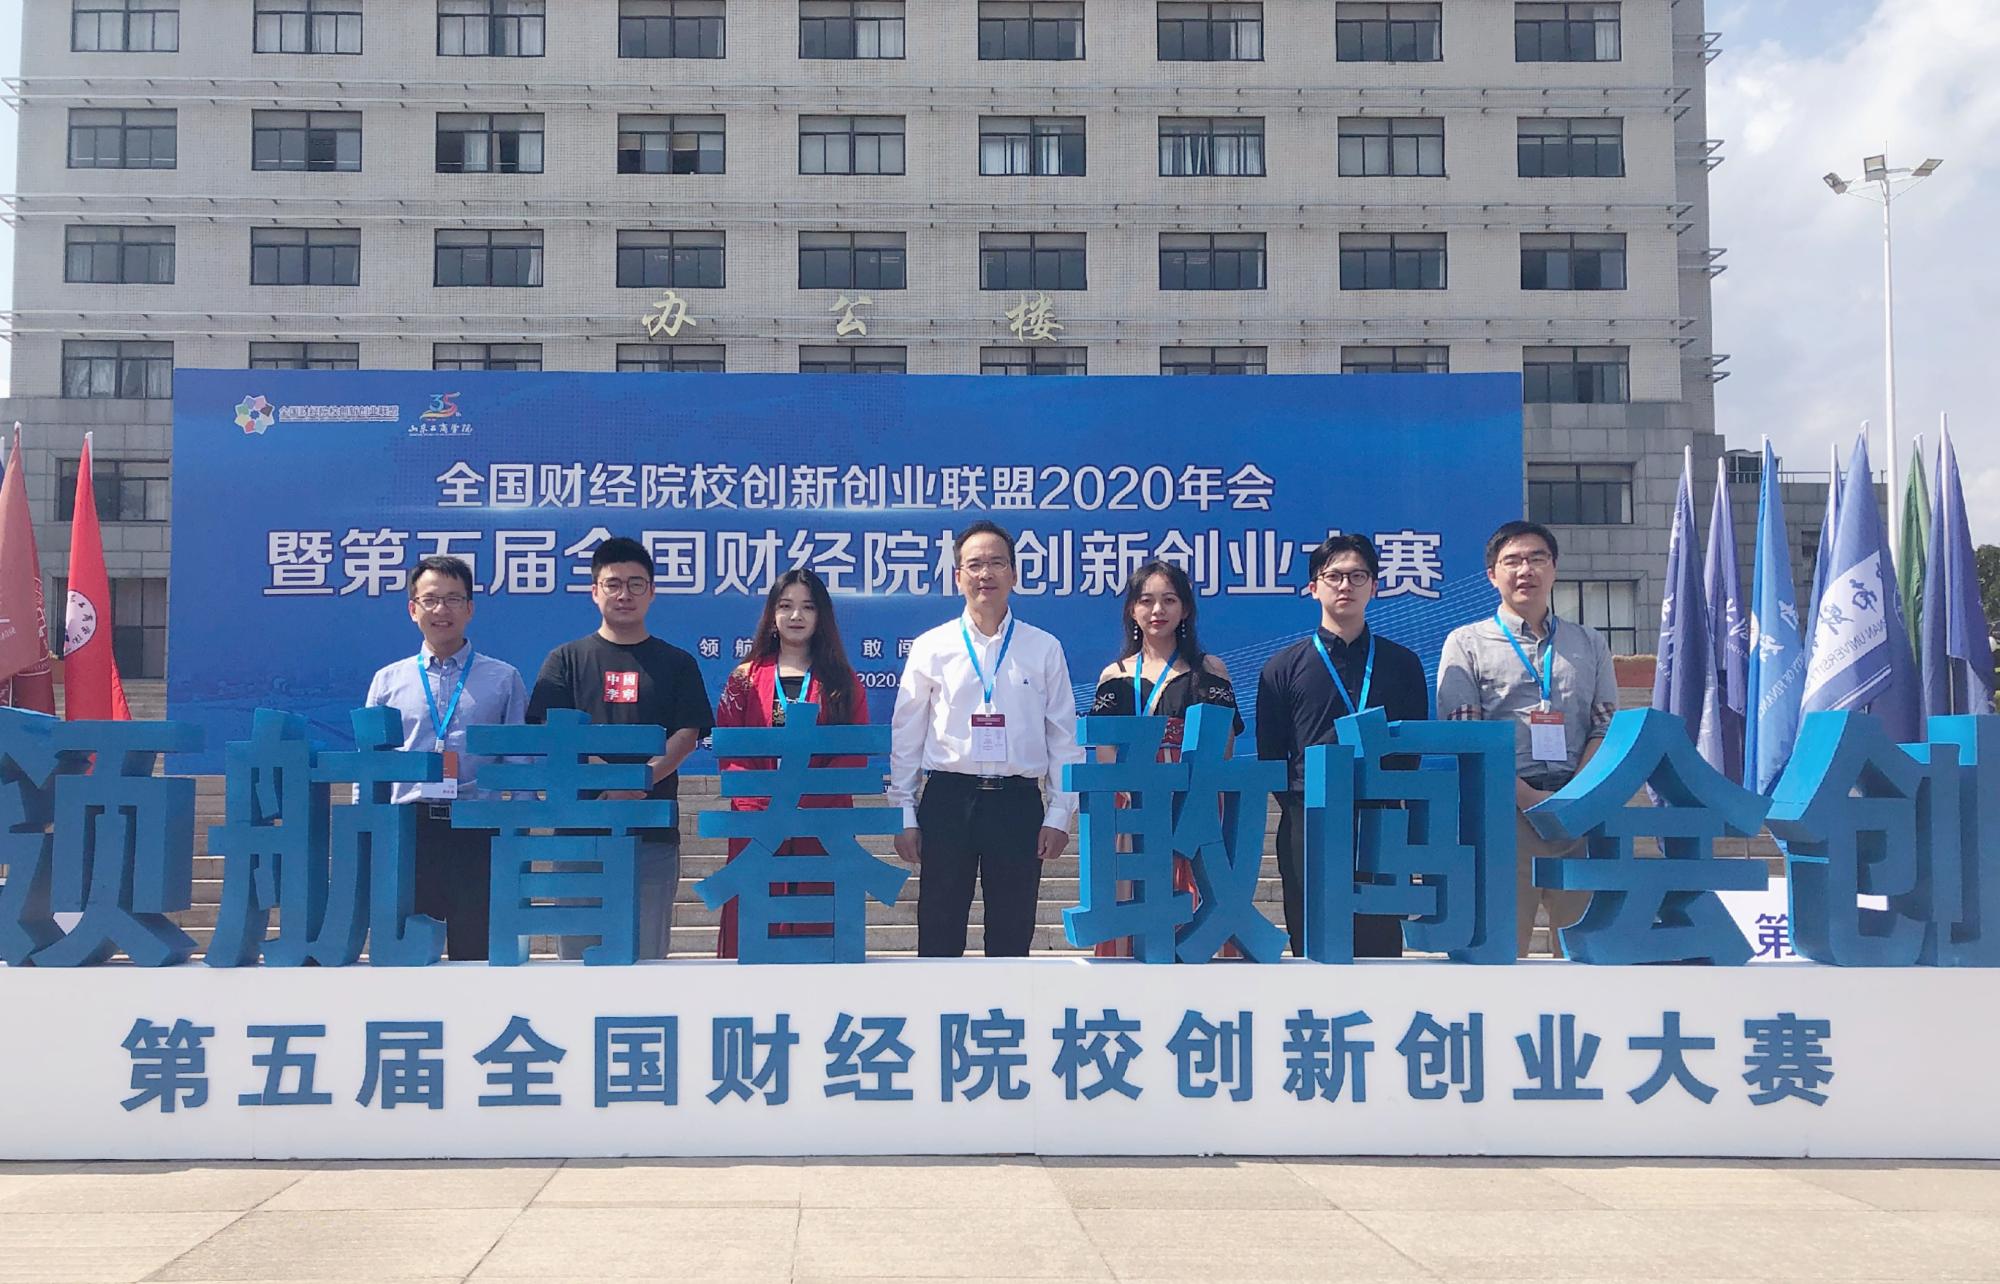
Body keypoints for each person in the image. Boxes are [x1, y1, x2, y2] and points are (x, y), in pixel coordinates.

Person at [888, 519, 1083, 957]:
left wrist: (1059, 813)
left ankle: (1008, 1004)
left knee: (1013, 933)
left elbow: (1063, 737)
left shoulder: (1043, 647)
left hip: (1017, 803)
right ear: (958, 576)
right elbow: (907, 735)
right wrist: (903, 812)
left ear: (1014, 574)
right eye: (974, 565)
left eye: (996, 563)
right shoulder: (932, 646)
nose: (985, 574)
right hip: (948, 799)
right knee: (938, 930)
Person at [1438, 520, 1619, 958]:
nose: (1526, 570)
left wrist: (1574, 797)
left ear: (1554, 568)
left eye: (1537, 558)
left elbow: (1605, 727)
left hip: (1579, 816)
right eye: (1513, 561)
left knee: (1584, 958)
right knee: (1501, 955)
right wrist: (1528, 798)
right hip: (1504, 816)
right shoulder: (1466, 643)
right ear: (1492, 575)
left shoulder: (1589, 643)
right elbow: (1467, 736)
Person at [526, 535, 712, 959]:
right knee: (577, 959)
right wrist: (609, 780)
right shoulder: (565, 660)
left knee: (646, 958)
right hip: (580, 829)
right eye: (613, 584)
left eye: (635, 584)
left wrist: (640, 780)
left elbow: (686, 735)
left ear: (652, 592)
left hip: (652, 832)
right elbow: (554, 733)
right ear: (594, 591)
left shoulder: (677, 663)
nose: (624, 594)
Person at [1256, 533, 1430, 958]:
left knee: (1380, 945)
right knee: (1311, 939)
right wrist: (1302, 804)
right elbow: (1272, 754)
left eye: (1357, 576)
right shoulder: (1283, 668)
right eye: (1333, 576)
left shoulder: (1403, 664)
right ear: (1313, 587)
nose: (1345, 586)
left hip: (1381, 818)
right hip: (1309, 817)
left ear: (1375, 586)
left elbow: (1412, 747)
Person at [364, 554, 527, 961]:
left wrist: (520, 832)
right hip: (409, 828)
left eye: (454, 599)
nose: (442, 610)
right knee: (408, 956)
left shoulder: (503, 678)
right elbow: (370, 764)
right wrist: (366, 828)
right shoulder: (388, 681)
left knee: (477, 952)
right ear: (412, 609)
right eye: (431, 599)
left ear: (470, 608)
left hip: (478, 828)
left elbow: (519, 761)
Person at [1087, 560, 1244, 958]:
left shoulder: (1210, 670)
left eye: (1169, 600)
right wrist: (1133, 794)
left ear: (1185, 609)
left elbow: (1224, 745)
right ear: (1131, 610)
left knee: (1198, 897)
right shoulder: (1114, 676)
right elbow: (1105, 751)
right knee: (1133, 894)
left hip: (1196, 800)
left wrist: (1193, 790)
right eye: (1146, 601)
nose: (1157, 610)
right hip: (1134, 802)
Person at [711, 568, 870, 959]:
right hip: (758, 826)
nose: (796, 616)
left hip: (822, 827)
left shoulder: (843, 681)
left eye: (808, 607)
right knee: (753, 930)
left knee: (819, 932)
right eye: (786, 606)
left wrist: (805, 805)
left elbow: (853, 753)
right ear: (772, 614)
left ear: (822, 616)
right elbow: (730, 750)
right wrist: (766, 806)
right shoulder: (744, 678)